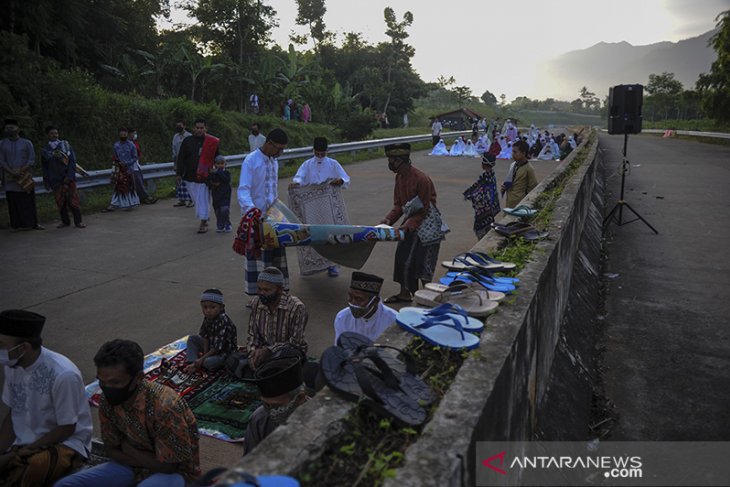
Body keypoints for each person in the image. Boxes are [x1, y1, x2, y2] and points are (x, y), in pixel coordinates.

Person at [55, 339, 200, 487]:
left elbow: (168, 467)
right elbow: (112, 450)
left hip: (176, 475)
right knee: (66, 484)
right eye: (102, 382)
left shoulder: (165, 406)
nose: (107, 388)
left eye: (115, 382)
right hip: (131, 467)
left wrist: (128, 449)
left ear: (138, 378)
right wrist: (142, 458)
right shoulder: (107, 400)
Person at [0, 310, 92, 485]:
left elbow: (66, 428)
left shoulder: (63, 374)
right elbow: (13, 413)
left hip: (65, 443)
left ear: (24, 348)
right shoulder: (12, 365)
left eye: (1, 345)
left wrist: (18, 453)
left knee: (31, 469)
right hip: (22, 444)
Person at [379, 143, 443, 303]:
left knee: (423, 263)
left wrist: (407, 226)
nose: (390, 164)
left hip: (428, 224)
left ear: (402, 160)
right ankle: (404, 293)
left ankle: (430, 298)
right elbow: (399, 205)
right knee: (402, 257)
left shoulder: (422, 179)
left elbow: (425, 208)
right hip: (410, 221)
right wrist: (388, 220)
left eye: (392, 160)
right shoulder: (399, 178)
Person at [238, 128, 290, 295]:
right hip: (255, 219)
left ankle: (276, 292)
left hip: (273, 218)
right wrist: (252, 211)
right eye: (279, 148)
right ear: (268, 143)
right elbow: (243, 189)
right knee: (258, 260)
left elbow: (272, 190)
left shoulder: (273, 161)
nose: (280, 152)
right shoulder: (251, 161)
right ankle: (257, 295)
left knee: (275, 258)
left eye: (283, 149)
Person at [290, 137, 350, 277]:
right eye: (317, 153)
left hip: (328, 206)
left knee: (331, 235)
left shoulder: (333, 164)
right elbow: (299, 177)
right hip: (312, 206)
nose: (320, 156)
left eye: (323, 154)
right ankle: (315, 264)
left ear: (327, 151)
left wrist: (340, 181)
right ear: (313, 151)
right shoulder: (307, 164)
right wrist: (296, 184)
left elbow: (345, 178)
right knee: (315, 235)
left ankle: (332, 265)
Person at [245, 267, 308, 371]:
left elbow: (296, 343)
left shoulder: (296, 307)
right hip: (264, 353)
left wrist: (269, 350)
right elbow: (253, 336)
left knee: (287, 359)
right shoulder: (256, 303)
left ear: (280, 290)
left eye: (266, 290)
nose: (261, 293)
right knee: (233, 361)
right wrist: (253, 354)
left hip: (286, 353)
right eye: (259, 289)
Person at [244, 356, 308, 455]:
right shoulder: (259, 419)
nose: (270, 411)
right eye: (266, 404)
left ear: (300, 398)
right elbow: (248, 463)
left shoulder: (320, 420)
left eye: (276, 406)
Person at [176, 118, 220, 234]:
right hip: (190, 176)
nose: (199, 130)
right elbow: (181, 158)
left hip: (205, 177)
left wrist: (217, 172)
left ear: (206, 128)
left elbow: (217, 158)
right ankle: (204, 215)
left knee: (203, 199)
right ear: (193, 128)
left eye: (202, 128)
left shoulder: (211, 142)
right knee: (197, 199)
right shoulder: (187, 141)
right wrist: (179, 174)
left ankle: (204, 221)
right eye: (197, 128)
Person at [0, 118, 43, 230]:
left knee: (28, 200)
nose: (9, 130)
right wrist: (11, 171)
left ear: (18, 129)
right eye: (7, 128)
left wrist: (20, 171)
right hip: (9, 177)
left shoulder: (26, 143)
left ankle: (33, 224)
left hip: (24, 176)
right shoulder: (2, 143)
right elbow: (1, 161)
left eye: (12, 128)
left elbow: (31, 159)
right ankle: (16, 225)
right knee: (13, 201)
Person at [41, 125, 85, 228]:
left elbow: (72, 161)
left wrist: (69, 176)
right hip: (55, 180)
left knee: (73, 200)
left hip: (68, 178)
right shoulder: (45, 150)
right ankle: (65, 222)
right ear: (48, 135)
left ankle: (78, 221)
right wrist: (46, 181)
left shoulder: (65, 145)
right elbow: (45, 168)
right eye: (52, 133)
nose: (54, 135)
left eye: (56, 133)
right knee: (60, 202)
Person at [333, 272, 396, 344]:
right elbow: (339, 349)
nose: (353, 303)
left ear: (375, 301)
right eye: (350, 296)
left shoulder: (393, 322)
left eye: (359, 299)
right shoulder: (342, 318)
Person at [185, 289, 238, 374]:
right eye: (205, 307)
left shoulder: (223, 321)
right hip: (212, 346)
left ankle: (198, 364)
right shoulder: (208, 317)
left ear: (221, 307)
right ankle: (192, 362)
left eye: (212, 307)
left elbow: (217, 349)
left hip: (224, 352)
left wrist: (203, 359)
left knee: (208, 362)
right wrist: (204, 355)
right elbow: (205, 336)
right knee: (192, 339)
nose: (208, 310)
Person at [464, 153, 501, 239]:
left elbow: (482, 193)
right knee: (488, 226)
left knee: (482, 229)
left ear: (483, 164)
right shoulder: (490, 175)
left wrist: (472, 195)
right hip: (490, 207)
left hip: (485, 209)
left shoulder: (487, 177)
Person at [104, 127, 141, 212]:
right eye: (121, 134)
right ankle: (114, 204)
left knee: (129, 187)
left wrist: (127, 163)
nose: (123, 136)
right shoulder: (116, 145)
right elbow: (115, 156)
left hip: (128, 170)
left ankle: (130, 203)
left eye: (124, 134)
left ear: (127, 135)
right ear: (119, 135)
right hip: (119, 170)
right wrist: (117, 164)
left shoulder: (131, 145)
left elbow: (135, 157)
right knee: (118, 187)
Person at [502, 140, 538, 209]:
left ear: (523, 153)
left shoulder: (529, 169)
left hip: (520, 205)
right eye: (512, 152)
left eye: (515, 152)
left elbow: (533, 187)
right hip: (509, 203)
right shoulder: (513, 165)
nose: (513, 154)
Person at [127, 129, 157, 205]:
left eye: (135, 133)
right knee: (138, 183)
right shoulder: (127, 144)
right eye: (133, 133)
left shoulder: (134, 142)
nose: (135, 135)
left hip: (137, 165)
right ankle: (145, 197)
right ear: (129, 134)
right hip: (132, 166)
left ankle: (143, 198)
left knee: (139, 182)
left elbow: (138, 152)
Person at [208, 155, 232, 233]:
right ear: (215, 164)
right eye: (218, 164)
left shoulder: (226, 173)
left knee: (224, 210)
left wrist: (218, 171)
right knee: (218, 211)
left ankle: (227, 224)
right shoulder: (213, 173)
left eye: (222, 163)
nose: (220, 165)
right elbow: (210, 182)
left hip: (225, 195)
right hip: (216, 195)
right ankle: (220, 225)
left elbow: (226, 179)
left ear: (225, 164)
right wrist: (213, 184)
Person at [172, 121, 194, 208]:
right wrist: (174, 163)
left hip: (187, 161)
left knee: (188, 181)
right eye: (177, 125)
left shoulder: (189, 136)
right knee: (179, 181)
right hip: (178, 160)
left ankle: (191, 199)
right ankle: (182, 200)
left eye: (180, 125)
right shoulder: (175, 136)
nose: (178, 127)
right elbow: (173, 149)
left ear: (184, 126)